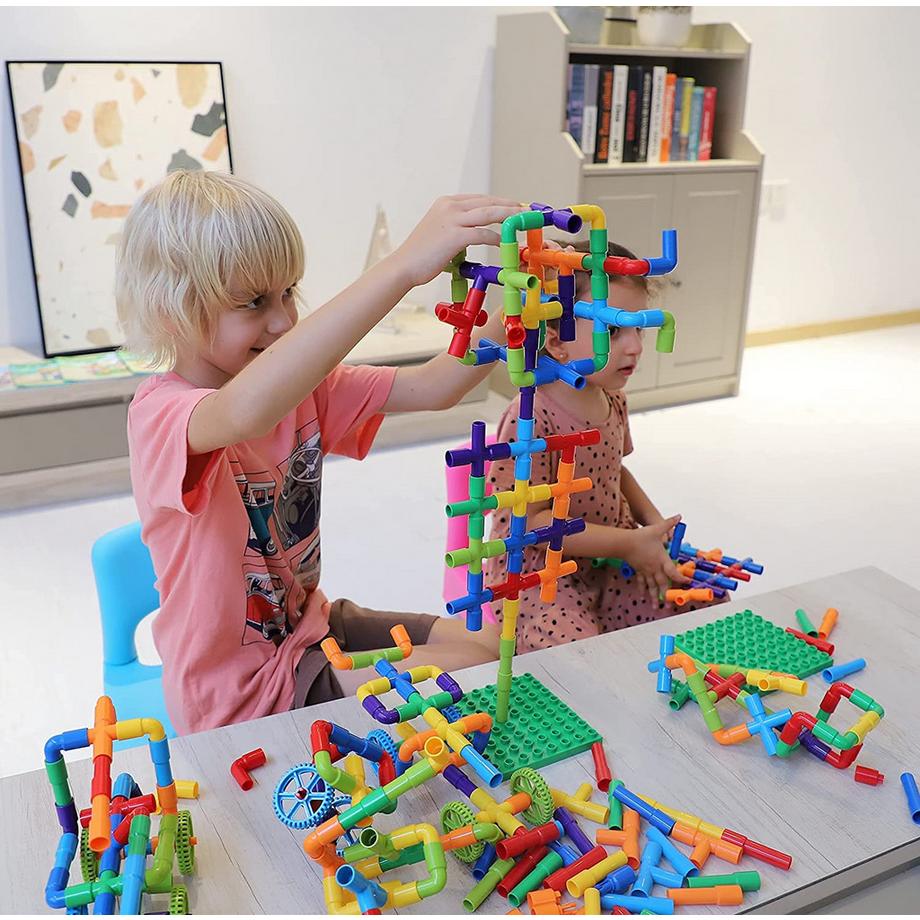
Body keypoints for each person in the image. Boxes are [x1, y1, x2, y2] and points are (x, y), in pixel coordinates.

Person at [116, 170, 517, 733]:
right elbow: (243, 412)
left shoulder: (306, 391)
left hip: (312, 629)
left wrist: (515, 317)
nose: (283, 320)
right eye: (254, 302)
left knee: (488, 648)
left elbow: (434, 385)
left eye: (288, 293)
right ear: (171, 311)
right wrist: (402, 267)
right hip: (243, 694)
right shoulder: (162, 414)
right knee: (463, 682)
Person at [482, 242, 719, 652]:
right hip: (541, 572)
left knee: (698, 601)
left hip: (612, 551)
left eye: (638, 328)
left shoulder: (612, 395)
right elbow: (531, 525)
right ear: (556, 341)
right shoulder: (531, 416)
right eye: (612, 330)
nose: (635, 347)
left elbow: (616, 471)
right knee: (577, 655)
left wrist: (652, 528)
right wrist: (629, 545)